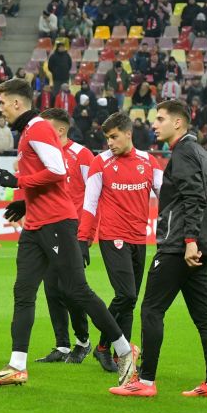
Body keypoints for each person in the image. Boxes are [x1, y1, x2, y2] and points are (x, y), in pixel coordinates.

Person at [0, 78, 138, 388]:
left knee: (77, 289)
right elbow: (47, 176)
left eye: (3, 103)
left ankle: (124, 349)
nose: (0, 109)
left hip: (56, 223)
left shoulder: (38, 128)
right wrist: (25, 202)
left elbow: (57, 171)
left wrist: (19, 183)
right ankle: (17, 365)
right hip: (36, 224)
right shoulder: (30, 131)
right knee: (23, 291)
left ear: (16, 103)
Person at [112, 100, 207, 398]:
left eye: (160, 118)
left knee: (151, 309)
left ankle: (145, 382)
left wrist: (188, 241)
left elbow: (193, 197)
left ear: (178, 123)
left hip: (179, 247)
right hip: (204, 245)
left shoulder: (185, 152)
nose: (154, 124)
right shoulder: (199, 152)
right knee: (204, 316)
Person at [79, 112, 162, 374]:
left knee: (129, 300)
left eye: (114, 137)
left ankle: (120, 354)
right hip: (112, 236)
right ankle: (104, 347)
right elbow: (90, 203)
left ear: (129, 133)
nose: (110, 143)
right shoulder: (100, 162)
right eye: (107, 138)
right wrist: (83, 239)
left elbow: (167, 197)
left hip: (139, 237)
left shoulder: (149, 161)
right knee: (126, 294)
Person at [33, 108, 93, 365]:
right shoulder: (42, 154)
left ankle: (83, 341)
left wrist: (86, 237)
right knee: (52, 290)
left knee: (72, 290)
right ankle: (62, 345)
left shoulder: (81, 155)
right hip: (46, 230)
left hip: (72, 232)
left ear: (60, 129)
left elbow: (94, 196)